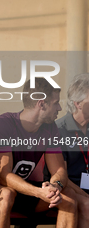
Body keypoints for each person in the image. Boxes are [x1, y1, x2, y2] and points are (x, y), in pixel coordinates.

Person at [0, 78, 78, 228]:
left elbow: (59, 170)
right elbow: (4, 177)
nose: (59, 108)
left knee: (69, 199)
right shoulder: (2, 124)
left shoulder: (50, 128)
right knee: (7, 194)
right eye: (56, 102)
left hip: (23, 189)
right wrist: (38, 192)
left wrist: (54, 186)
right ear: (41, 104)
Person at [51, 73, 89, 227]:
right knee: (87, 205)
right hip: (69, 187)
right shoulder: (59, 130)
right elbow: (62, 176)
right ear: (78, 104)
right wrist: (85, 194)